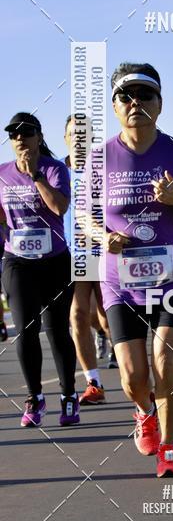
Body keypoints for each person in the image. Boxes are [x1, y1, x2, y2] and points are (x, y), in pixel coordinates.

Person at [87, 63, 173, 477]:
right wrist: (101, 234)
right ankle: (143, 411)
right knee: (132, 377)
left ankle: (170, 447)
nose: (135, 103)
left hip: (170, 277)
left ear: (160, 104)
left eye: (144, 96)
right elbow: (84, 217)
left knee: (164, 361)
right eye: (126, 97)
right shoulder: (99, 157)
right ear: (114, 106)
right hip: (119, 282)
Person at [0, 112, 79, 427]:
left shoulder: (54, 168)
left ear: (38, 137)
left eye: (26, 133)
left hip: (55, 261)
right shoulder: (2, 173)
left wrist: (35, 176)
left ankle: (69, 396)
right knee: (25, 330)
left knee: (58, 331)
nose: (20, 139)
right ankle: (34, 398)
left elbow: (60, 207)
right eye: (14, 134)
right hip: (17, 260)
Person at [63, 115, 111, 404]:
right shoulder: (57, 170)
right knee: (77, 315)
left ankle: (140, 378)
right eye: (73, 134)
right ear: (66, 138)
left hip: (104, 250)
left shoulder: (103, 166)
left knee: (108, 316)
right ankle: (94, 382)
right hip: (73, 254)